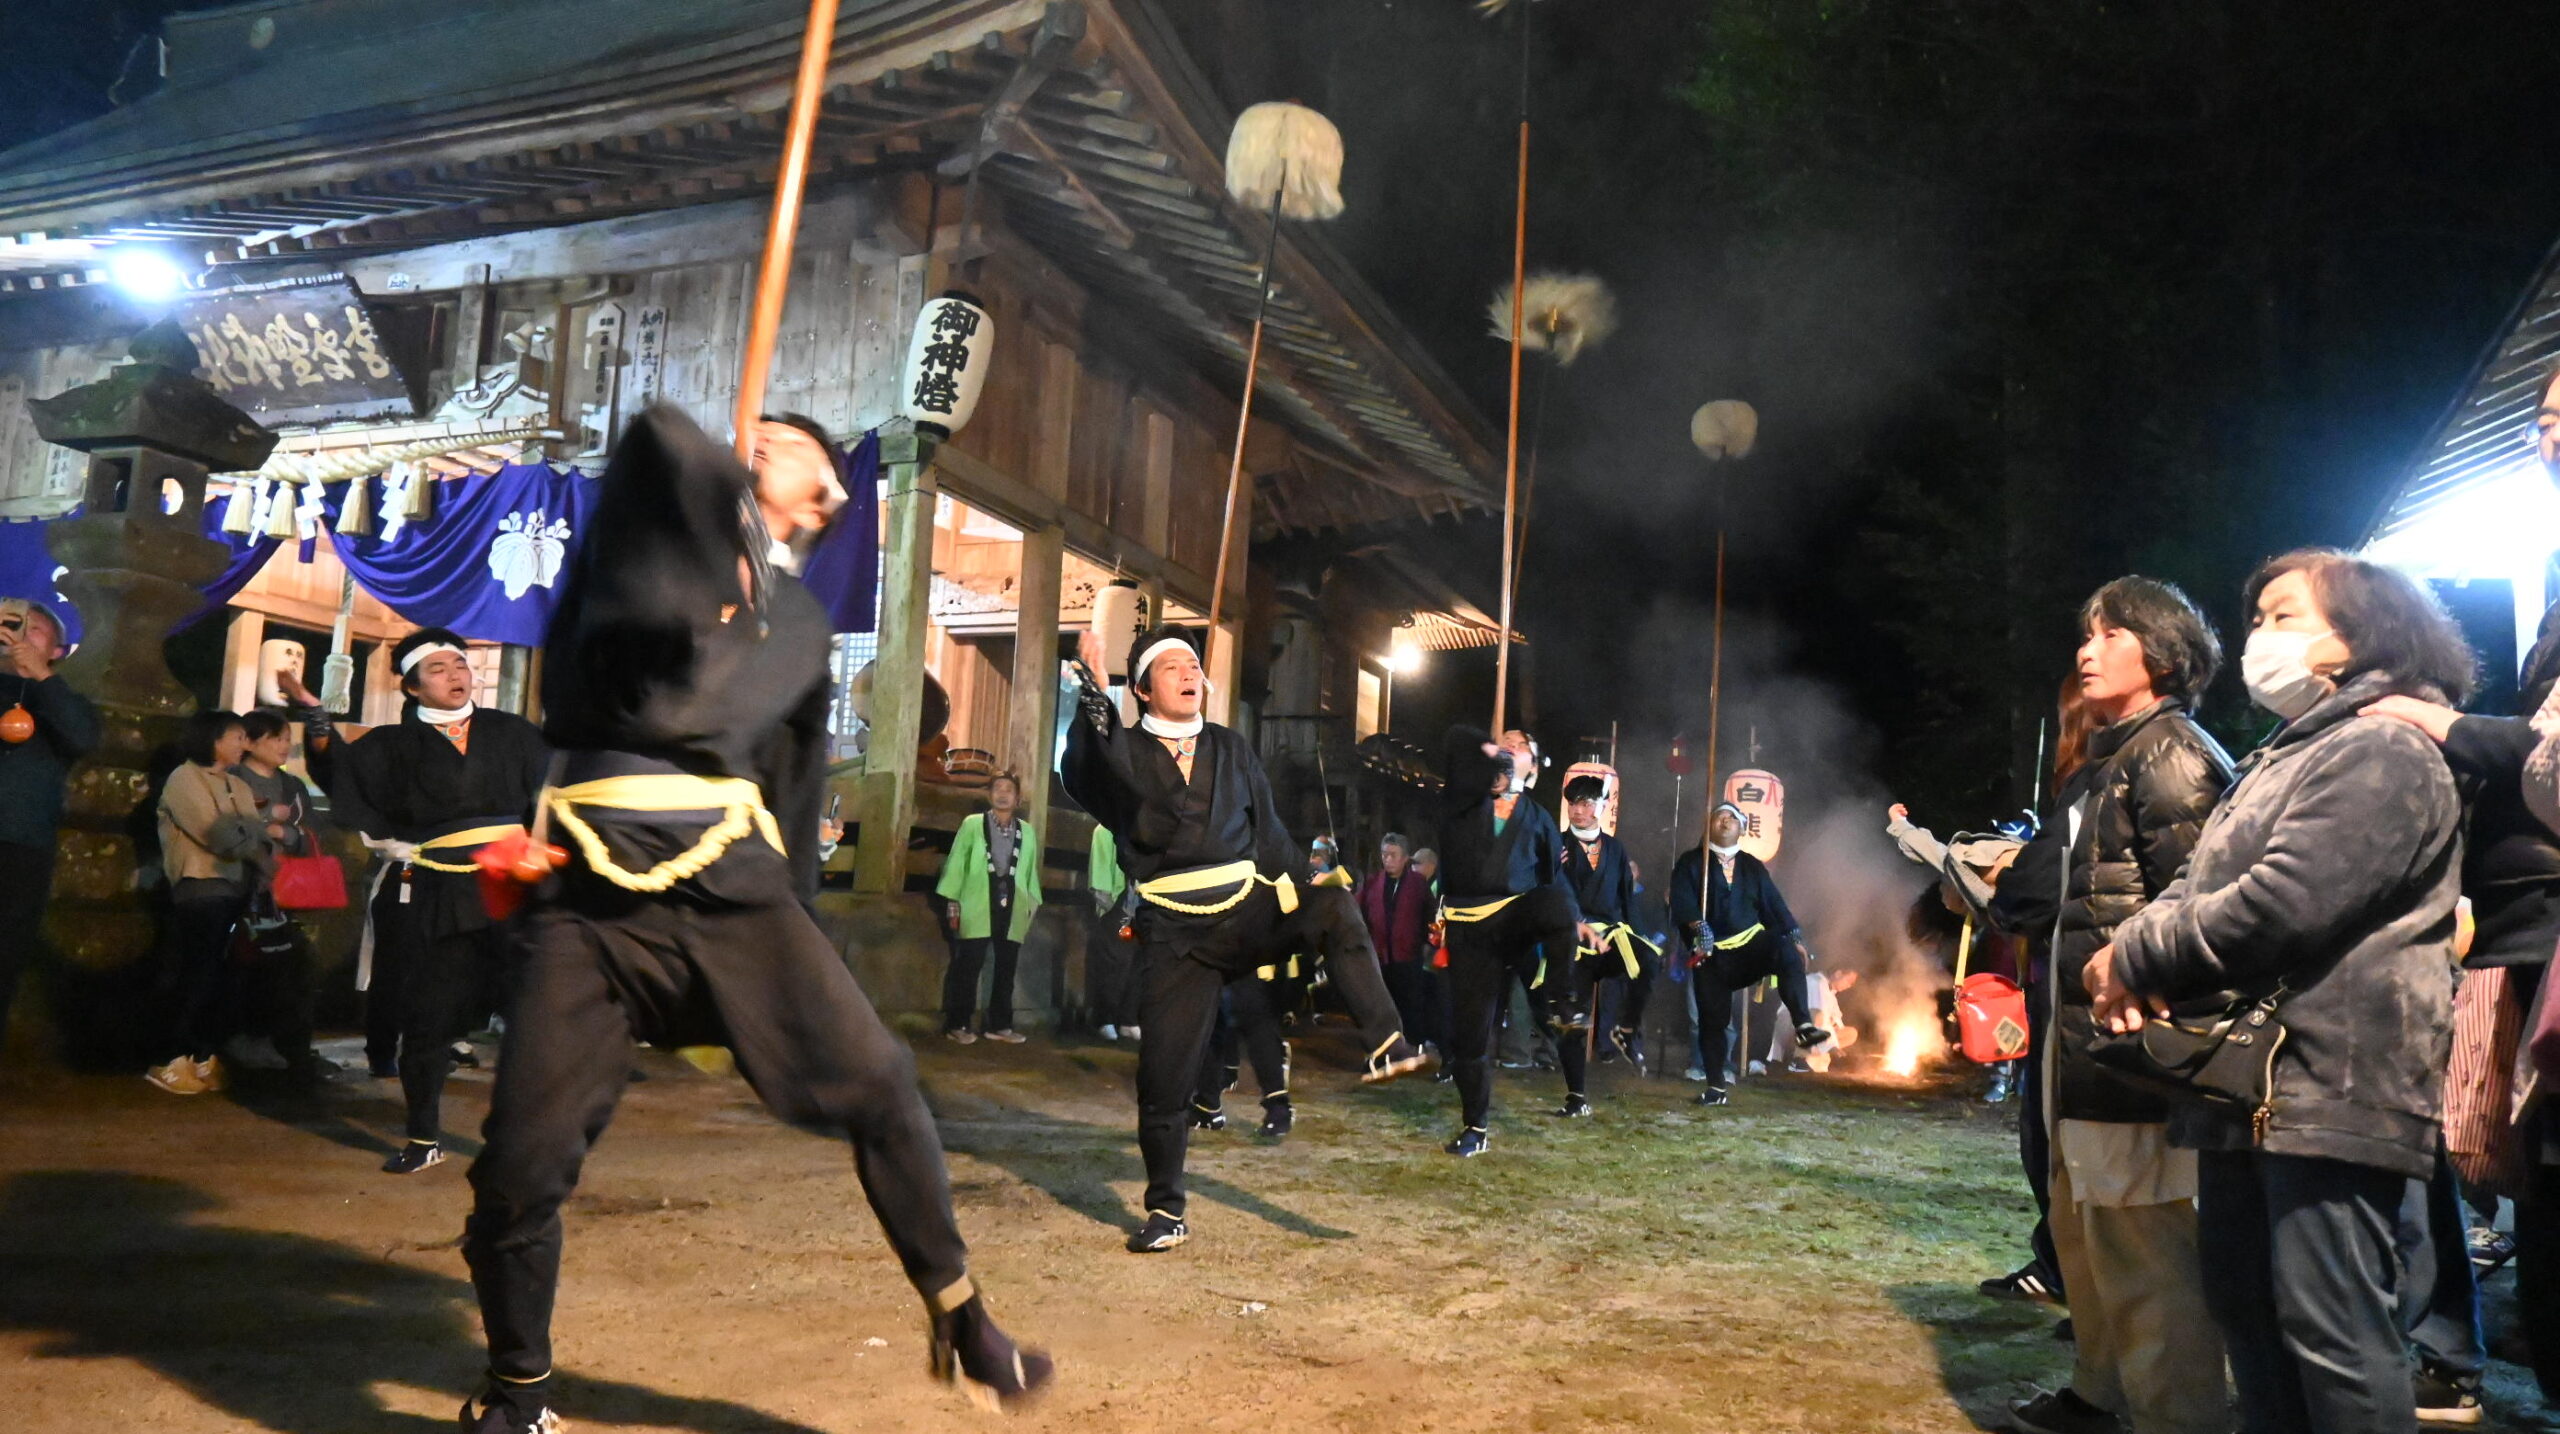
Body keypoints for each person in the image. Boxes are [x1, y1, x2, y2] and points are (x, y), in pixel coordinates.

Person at [458, 408, 1049, 1433]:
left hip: (732, 887)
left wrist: (796, 938)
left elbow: (785, 778)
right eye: (750, 436)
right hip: (589, 901)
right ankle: (518, 1391)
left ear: (824, 499)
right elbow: (656, 442)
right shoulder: (633, 556)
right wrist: (709, 503)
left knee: (881, 1083)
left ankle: (961, 1316)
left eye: (787, 445)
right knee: (518, 1162)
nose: (756, 442)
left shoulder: (798, 622)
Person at [2094, 549, 2472, 1434]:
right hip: (2252, 1088)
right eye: (2258, 618)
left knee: (2333, 1333)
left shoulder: (2383, 747)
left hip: (2334, 1084)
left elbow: (2281, 903)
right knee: (2247, 1309)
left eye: (2285, 615)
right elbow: (2195, 883)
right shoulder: (2288, 751)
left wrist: (2133, 953)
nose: (2259, 636)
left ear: (2363, 631)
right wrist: (2135, 947)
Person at [1061, 623, 1426, 1250]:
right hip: (1174, 932)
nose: (1189, 673)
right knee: (1163, 1079)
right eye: (1172, 666)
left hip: (1246, 908)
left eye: (1194, 665)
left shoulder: (1230, 747)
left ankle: (1387, 1041)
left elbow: (1271, 836)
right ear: (1142, 690)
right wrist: (1094, 693)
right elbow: (1084, 770)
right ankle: (1167, 1212)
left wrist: (1300, 882)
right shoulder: (1125, 752)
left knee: (1334, 905)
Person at [2005, 576, 2233, 1434]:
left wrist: (2149, 983)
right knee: (2087, 1227)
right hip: (2083, 1044)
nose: (2086, 651)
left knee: (2145, 1243)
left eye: (2109, 635)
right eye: (2086, 633)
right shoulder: (2116, 755)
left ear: (2162, 653)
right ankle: (2100, 1394)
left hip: (2136, 1048)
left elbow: (2205, 902)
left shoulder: (2172, 754)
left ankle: (2180, 1416)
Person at [286, 626, 549, 1174]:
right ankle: (425, 1136)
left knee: (533, 1015)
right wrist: (315, 716)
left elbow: (551, 798)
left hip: (512, 884)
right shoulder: (389, 744)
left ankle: (530, 1139)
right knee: (428, 1015)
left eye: (460, 665)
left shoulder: (513, 732)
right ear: (411, 687)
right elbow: (338, 773)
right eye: (438, 669)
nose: (455, 675)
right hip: (438, 886)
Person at [1434, 727, 1597, 1150]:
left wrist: (1573, 920)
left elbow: (1552, 880)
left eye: (1520, 745)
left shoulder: (1539, 818)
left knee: (1555, 918)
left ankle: (1565, 1017)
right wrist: (1483, 752)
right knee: (1472, 1035)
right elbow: (1457, 742)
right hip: (1470, 927)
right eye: (1502, 741)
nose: (1509, 746)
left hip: (1516, 921)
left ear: (1534, 767)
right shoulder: (1464, 800)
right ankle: (1475, 1128)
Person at [1670, 803, 1828, 1109]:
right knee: (1712, 1021)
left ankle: (1803, 1025)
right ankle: (1716, 1086)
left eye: (1732, 817)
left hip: (1749, 947)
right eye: (1719, 816)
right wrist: (1698, 927)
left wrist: (1795, 937)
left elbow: (1774, 905)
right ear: (1708, 826)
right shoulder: (1692, 862)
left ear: (1742, 828)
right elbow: (1681, 900)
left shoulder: (1752, 866)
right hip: (1711, 953)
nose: (1725, 821)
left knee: (1784, 949)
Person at [146, 711, 265, 1095]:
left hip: (234, 889)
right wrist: (250, 836)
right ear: (212, 739)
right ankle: (169, 1056)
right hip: (199, 887)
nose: (243, 745)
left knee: (222, 978)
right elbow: (219, 835)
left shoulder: (237, 784)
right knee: (196, 973)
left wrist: (248, 836)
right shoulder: (184, 779)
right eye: (237, 737)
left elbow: (252, 835)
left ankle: (201, 1053)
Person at [0, 598, 100, 1046]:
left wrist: (40, 675)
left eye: (35, 630)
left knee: (6, 953)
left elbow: (83, 737)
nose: (21, 634)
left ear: (58, 651)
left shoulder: (62, 700)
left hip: (23, 843)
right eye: (14, 624)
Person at [227, 710, 328, 1085]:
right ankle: (242, 1041)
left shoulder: (292, 785)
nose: (285, 745)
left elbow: (310, 832)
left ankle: (280, 1044)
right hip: (242, 887)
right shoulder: (234, 779)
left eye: (287, 738)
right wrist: (267, 822)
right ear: (251, 743)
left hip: (286, 891)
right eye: (276, 738)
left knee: (287, 968)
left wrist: (288, 834)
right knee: (245, 967)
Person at [1560, 774, 1657, 1074]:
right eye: (1573, 804)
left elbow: (1626, 897)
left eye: (1586, 804)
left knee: (1649, 960)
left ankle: (1626, 1030)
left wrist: (1640, 934)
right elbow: (1548, 890)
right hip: (1571, 932)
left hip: (1611, 933)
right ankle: (1572, 1081)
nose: (1578, 810)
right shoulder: (1556, 844)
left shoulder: (1615, 848)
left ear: (1601, 807)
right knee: (1575, 1011)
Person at [936, 772, 1042, 1044]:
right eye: (997, 788)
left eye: (1009, 790)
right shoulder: (973, 824)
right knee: (968, 964)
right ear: (989, 795)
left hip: (1013, 901)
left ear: (1017, 798)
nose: (1003, 794)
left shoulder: (1026, 831)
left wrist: (1030, 905)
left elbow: (1030, 871)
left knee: (1007, 966)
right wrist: (953, 903)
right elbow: (957, 862)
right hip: (977, 899)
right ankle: (958, 1023)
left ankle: (1000, 1025)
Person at [1358, 832, 1442, 1052]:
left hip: (1408, 956)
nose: (1387, 859)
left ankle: (1414, 1047)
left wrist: (1429, 943)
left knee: (1411, 1005)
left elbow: (1430, 915)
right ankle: (1385, 1046)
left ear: (1405, 858)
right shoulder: (1373, 882)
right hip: (1380, 957)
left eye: (1393, 855)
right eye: (1384, 854)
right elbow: (1360, 913)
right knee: (1382, 1006)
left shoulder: (1418, 884)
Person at [1085, 826, 1139, 1041]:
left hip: (1139, 904)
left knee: (1136, 964)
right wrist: (1108, 907)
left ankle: (1129, 1019)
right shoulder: (1104, 830)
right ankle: (1104, 1019)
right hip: (1117, 905)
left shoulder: (1143, 828)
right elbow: (1100, 873)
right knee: (1113, 964)